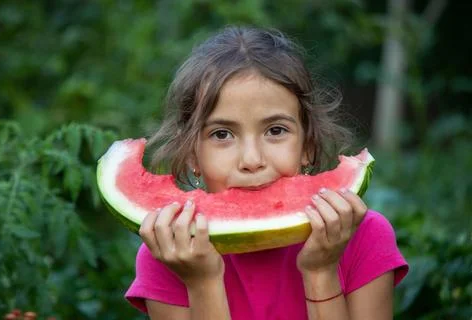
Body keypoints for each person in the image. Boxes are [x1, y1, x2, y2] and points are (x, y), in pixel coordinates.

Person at [125, 26, 408, 320]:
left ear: (307, 146)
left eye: (276, 130)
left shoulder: (365, 237)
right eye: (222, 134)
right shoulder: (169, 252)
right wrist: (203, 282)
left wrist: (321, 271)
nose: (252, 159)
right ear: (193, 154)